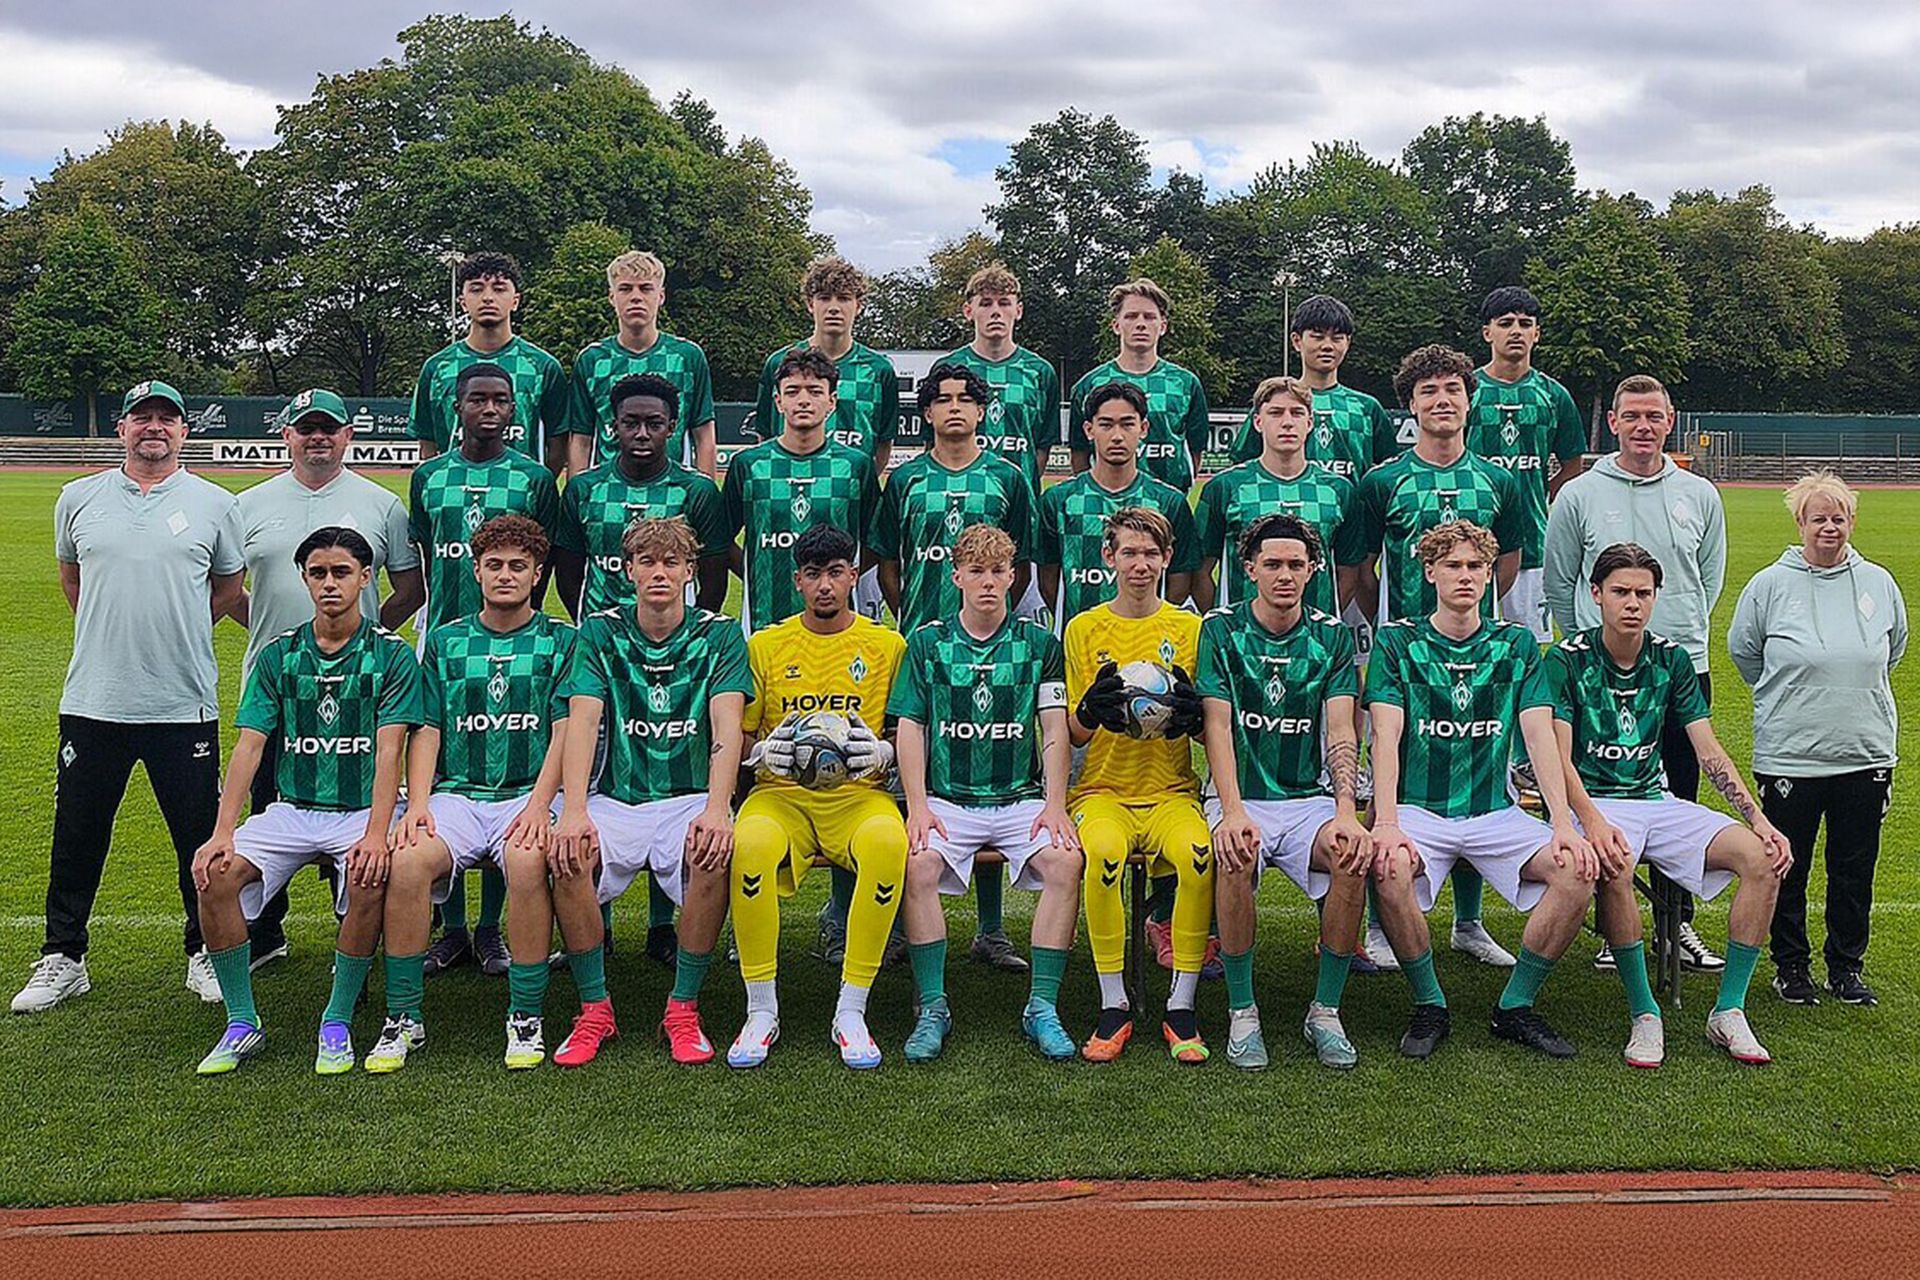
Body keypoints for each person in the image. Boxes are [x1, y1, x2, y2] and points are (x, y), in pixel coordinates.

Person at [14, 380, 247, 1015]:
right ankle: (64, 956)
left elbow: (228, 587)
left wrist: (178, 628)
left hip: (183, 703)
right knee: (78, 833)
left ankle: (204, 950)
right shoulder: (78, 497)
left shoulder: (215, 503)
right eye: (142, 417)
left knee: (197, 837)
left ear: (184, 431)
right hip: (95, 700)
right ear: (121, 429)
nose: (154, 427)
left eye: (167, 418)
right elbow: (72, 579)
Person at [1546, 543, 1793, 1067]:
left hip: (1655, 799)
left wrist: (1758, 819)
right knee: (1614, 863)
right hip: (1594, 802)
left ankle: (1728, 1010)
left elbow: (1708, 750)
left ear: (1656, 597)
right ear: (1596, 594)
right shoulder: (1567, 659)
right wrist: (1593, 822)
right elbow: (1557, 759)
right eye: (1621, 592)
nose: (1632, 603)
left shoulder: (1672, 658)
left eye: (1643, 593)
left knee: (1762, 859)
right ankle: (1645, 1013)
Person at [188, 527, 422, 1075]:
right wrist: (222, 832)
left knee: (370, 873)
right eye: (318, 573)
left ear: (366, 578)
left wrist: (376, 833)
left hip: (361, 811)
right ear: (304, 579)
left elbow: (391, 751)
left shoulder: (391, 656)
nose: (329, 584)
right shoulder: (279, 655)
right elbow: (249, 746)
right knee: (214, 875)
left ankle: (336, 1019)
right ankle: (241, 1022)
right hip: (293, 809)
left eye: (342, 572)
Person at [1366, 521, 1597, 1061]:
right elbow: (1385, 734)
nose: (1465, 576)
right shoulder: (1397, 642)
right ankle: (1430, 1003)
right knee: (1388, 866)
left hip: (1496, 812)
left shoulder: (1515, 643)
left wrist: (1562, 825)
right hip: (1421, 810)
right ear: (1429, 572)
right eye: (1453, 565)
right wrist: (1386, 822)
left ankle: (1515, 1005)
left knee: (1576, 870)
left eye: (1476, 566)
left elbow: (1539, 736)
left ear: (1491, 574)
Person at [543, 517, 751, 1067]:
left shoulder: (720, 635)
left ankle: (683, 1008)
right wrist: (575, 810)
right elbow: (583, 720)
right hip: (617, 798)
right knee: (568, 854)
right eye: (648, 562)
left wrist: (718, 808)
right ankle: (594, 1009)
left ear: (690, 571)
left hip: (687, 796)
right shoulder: (599, 631)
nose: (659, 573)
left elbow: (727, 726)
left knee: (713, 852)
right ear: (628, 570)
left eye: (671, 562)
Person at [229, 388, 424, 970]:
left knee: (361, 805)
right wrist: (289, 640)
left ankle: (354, 936)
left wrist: (364, 638)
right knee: (270, 799)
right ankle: (266, 931)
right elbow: (229, 590)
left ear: (347, 435)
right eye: (306, 427)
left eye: (329, 428)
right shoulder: (248, 504)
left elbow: (409, 588)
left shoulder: (381, 503)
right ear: (286, 434)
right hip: (279, 686)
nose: (318, 437)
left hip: (361, 689)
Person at [371, 516, 575, 1072]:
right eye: (494, 565)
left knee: (528, 861)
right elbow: (428, 729)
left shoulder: (563, 640)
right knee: (408, 860)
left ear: (537, 574)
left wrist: (540, 805)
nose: (505, 575)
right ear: (476, 571)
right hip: (459, 796)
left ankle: (525, 1014)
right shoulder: (445, 640)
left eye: (518, 566)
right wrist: (418, 805)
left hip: (528, 794)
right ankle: (403, 1015)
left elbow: (565, 732)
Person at [1544, 373, 1729, 971]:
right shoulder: (1578, 494)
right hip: (1598, 675)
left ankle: (1678, 926)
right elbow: (1560, 578)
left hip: (1680, 669)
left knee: (1678, 795)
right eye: (1632, 416)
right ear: (1613, 423)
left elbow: (1708, 577)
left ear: (1669, 422)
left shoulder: (1699, 494)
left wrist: (1676, 634)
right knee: (1601, 796)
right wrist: (1590, 643)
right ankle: (1612, 924)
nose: (1643, 427)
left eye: (1654, 416)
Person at [1353, 345, 1527, 970]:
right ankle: (1380, 922)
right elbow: (1360, 569)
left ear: (1469, 400)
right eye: (1428, 391)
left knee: (1477, 771)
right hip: (1406, 654)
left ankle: (1468, 922)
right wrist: (1401, 623)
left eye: (1452, 388)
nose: (1442, 400)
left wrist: (1470, 617)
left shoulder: (1499, 481)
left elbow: (1508, 562)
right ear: (1410, 405)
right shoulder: (1382, 481)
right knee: (1393, 769)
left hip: (1479, 651)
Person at [892, 524, 1082, 1061]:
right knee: (917, 864)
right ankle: (933, 1006)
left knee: (1066, 862)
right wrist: (918, 806)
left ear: (1013, 576)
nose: (988, 582)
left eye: (998, 571)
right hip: (949, 801)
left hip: (1020, 800)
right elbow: (910, 727)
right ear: (956, 576)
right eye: (976, 571)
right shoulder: (927, 643)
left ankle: (1041, 1006)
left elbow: (1054, 727)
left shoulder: (1039, 644)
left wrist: (1055, 805)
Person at [870, 361, 1035, 971]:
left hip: (993, 650)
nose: (956, 408)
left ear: (983, 410)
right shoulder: (906, 479)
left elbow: (1020, 563)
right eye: (944, 399)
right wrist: (916, 617)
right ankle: (890, 921)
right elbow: (887, 562)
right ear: (928, 412)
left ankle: (990, 929)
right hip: (925, 649)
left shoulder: (1007, 477)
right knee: (906, 783)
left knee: (987, 774)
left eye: (968, 398)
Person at [729, 524, 909, 1069]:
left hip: (859, 797)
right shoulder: (765, 645)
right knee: (749, 847)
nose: (825, 585)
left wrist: (885, 752)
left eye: (835, 573)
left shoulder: (887, 646)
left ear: (854, 576)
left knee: (888, 844)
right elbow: (741, 736)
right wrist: (762, 753)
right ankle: (761, 1009)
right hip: (781, 796)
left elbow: (906, 733)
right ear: (797, 582)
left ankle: (851, 1010)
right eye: (813, 574)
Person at [1730, 470, 1907, 1007]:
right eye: (1818, 519)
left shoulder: (1879, 583)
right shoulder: (1769, 585)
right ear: (1800, 523)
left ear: (1852, 521)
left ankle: (1846, 967)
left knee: (1853, 869)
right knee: (1789, 866)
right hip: (1792, 754)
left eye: (1838, 518)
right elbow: (1745, 652)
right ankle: (1791, 966)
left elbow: (1893, 649)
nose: (1829, 527)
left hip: (1864, 752)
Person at [408, 364, 562, 979]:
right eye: (478, 399)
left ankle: (491, 927)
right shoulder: (428, 476)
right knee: (456, 771)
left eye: (501, 399)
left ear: (514, 408)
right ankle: (451, 929)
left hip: (512, 639)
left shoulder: (534, 478)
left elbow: (542, 559)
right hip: (446, 641)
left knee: (506, 768)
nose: (490, 409)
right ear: (458, 406)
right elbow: (425, 551)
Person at [1201, 515, 1370, 1070]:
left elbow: (1342, 729)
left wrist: (1346, 812)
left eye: (1297, 564)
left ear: (1313, 570)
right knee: (1236, 851)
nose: (1285, 575)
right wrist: (1231, 811)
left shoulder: (1331, 636)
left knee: (1350, 853)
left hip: (1306, 802)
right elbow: (1217, 725)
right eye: (1272, 564)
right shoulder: (1220, 630)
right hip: (1240, 795)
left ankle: (1326, 1010)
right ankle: (1242, 1011)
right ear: (1249, 570)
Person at [1065, 507, 1210, 1062]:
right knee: (1103, 855)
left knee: (1198, 858)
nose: (1140, 564)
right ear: (1109, 557)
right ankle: (1113, 1005)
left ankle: (1181, 1007)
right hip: (1102, 792)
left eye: (1151, 553)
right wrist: (1090, 710)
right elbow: (1072, 733)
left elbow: (1210, 728)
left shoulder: (1190, 629)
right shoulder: (1083, 629)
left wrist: (1192, 718)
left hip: (1172, 792)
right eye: (1129, 552)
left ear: (1168, 558)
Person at [723, 350, 883, 634]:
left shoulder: (855, 465)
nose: (804, 400)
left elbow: (877, 541)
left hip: (837, 626)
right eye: (793, 391)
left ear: (832, 401)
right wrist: (755, 572)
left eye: (815, 391)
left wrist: (840, 576)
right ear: (778, 401)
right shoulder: (748, 465)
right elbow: (721, 538)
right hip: (765, 624)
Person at [554, 373, 729, 621]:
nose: (642, 434)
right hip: (603, 636)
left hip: (673, 636)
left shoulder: (697, 491)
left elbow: (714, 582)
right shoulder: (583, 488)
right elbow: (567, 577)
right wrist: (595, 629)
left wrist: (687, 633)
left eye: (654, 424)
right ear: (614, 427)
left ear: (671, 428)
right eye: (631, 423)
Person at [1467, 286, 1587, 642]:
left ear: (1537, 333)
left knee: (1528, 648)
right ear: (1487, 332)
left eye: (1525, 323)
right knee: (1469, 642)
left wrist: (1540, 497)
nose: (1516, 331)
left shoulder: (1553, 395)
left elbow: (1572, 463)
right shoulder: (1466, 391)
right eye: (1505, 323)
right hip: (1471, 543)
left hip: (1532, 545)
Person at [1193, 375, 1363, 619]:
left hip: (1313, 636)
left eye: (1297, 413)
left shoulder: (1339, 490)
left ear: (1310, 423)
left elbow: (1349, 572)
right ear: (1258, 422)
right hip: (1242, 633)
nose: (1287, 422)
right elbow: (1200, 571)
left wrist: (1318, 624)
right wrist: (1227, 623)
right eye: (1275, 413)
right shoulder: (1225, 487)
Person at [1037, 382, 1198, 630]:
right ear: (1089, 430)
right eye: (1106, 424)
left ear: (1143, 429)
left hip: (1147, 639)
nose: (1117, 436)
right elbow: (1048, 581)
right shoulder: (1058, 500)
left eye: (1127, 424)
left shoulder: (1169, 502)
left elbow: (1179, 583)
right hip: (1083, 640)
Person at [407, 251, 570, 475]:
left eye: (499, 289)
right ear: (462, 302)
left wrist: (534, 486)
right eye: (476, 289)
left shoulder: (542, 366)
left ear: (515, 301)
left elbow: (559, 443)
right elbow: (428, 442)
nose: (487, 297)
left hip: (518, 491)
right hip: (455, 489)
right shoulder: (437, 368)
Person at [565, 250, 717, 478]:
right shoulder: (592, 359)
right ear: (612, 297)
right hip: (609, 491)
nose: (636, 297)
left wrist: (705, 492)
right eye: (625, 289)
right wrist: (577, 494)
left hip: (672, 489)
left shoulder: (687, 357)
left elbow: (704, 435)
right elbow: (581, 439)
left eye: (646, 288)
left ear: (661, 296)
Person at [1227, 294, 1403, 478]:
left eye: (1337, 338)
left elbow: (1388, 472)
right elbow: (1242, 468)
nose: (1327, 346)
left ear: (1348, 343)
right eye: (1318, 337)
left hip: (1350, 498)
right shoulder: (1274, 404)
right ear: (1296, 341)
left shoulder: (1367, 408)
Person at [1067, 278, 1211, 493]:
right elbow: (1079, 453)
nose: (1141, 324)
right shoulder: (1090, 384)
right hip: (1108, 504)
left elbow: (1195, 450)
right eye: (1131, 316)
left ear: (1163, 326)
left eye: (1150, 317)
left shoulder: (1185, 383)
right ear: (1116, 325)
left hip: (1166, 504)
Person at [938, 262, 1062, 511]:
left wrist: (1020, 490)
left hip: (1020, 507)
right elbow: (935, 442)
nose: (996, 312)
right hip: (964, 499)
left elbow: (1042, 447)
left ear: (1018, 310)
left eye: (1004, 303)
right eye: (986, 303)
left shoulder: (1040, 371)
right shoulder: (948, 368)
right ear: (968, 311)